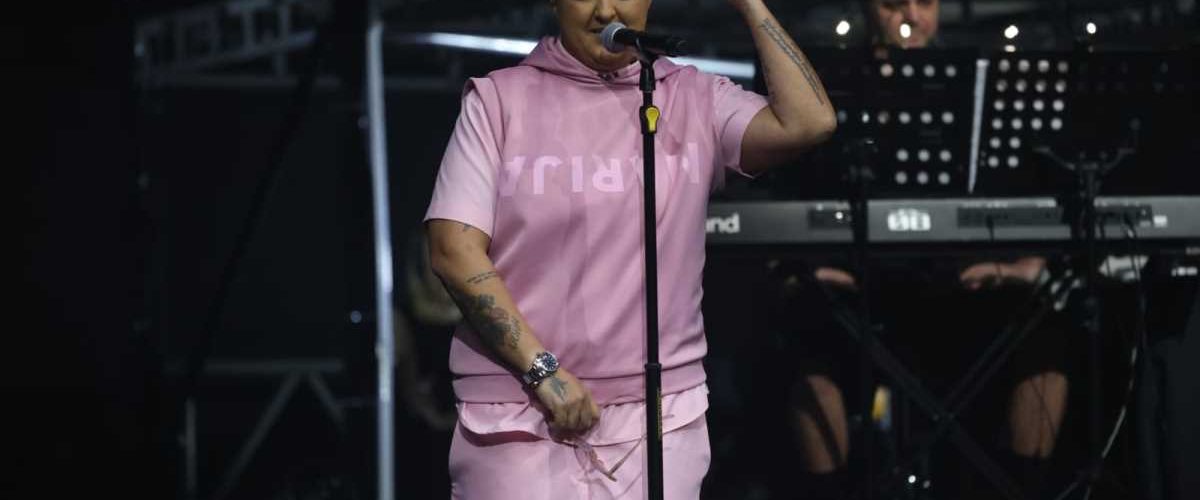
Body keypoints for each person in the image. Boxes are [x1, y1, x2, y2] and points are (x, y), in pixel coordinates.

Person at [423, 0, 835, 498]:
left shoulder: (692, 96)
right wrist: (542, 370)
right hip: (519, 408)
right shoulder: (498, 101)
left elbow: (810, 122)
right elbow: (453, 249)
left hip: (661, 416)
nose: (605, 10)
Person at [762, 1, 1071, 498]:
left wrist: (1022, 264)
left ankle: (1021, 487)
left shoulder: (974, 82)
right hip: (861, 287)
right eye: (893, 4)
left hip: (959, 288)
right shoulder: (828, 82)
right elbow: (787, 192)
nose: (911, 16)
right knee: (807, 343)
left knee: (1044, 338)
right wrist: (805, 268)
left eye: (924, 3)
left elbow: (1022, 187)